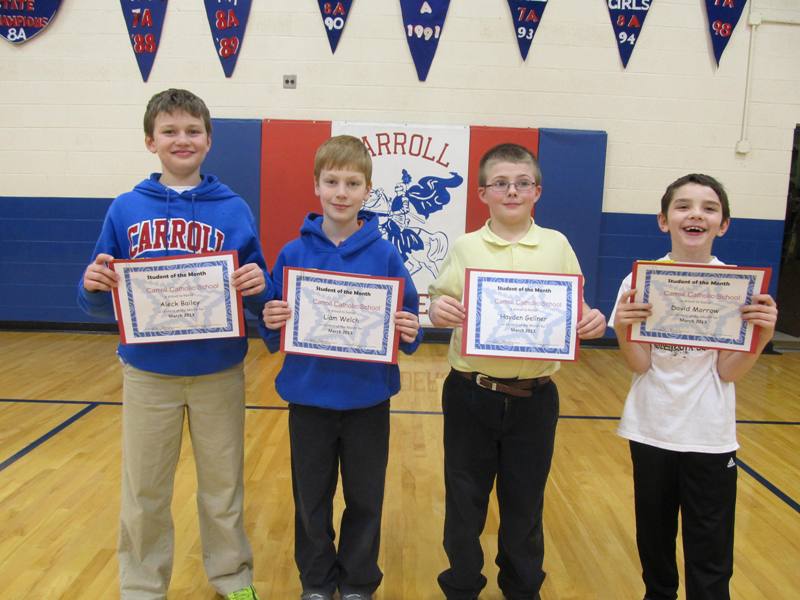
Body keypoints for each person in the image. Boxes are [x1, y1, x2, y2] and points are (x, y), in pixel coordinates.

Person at [78, 88, 268, 600]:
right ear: (150, 141)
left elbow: (259, 288)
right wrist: (92, 286)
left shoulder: (233, 209)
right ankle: (142, 586)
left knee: (223, 487)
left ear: (209, 140)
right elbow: (98, 294)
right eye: (170, 131)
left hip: (218, 371)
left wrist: (259, 285)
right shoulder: (125, 209)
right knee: (145, 489)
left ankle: (232, 578)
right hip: (148, 373)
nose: (182, 139)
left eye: (192, 130)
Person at [428, 143, 607, 600]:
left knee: (525, 502)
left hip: (535, 397)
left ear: (537, 192)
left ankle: (523, 588)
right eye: (501, 183)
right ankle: (462, 585)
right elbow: (439, 298)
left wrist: (592, 319)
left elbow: (576, 306)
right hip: (471, 393)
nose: (512, 191)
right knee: (464, 500)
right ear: (483, 193)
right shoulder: (466, 246)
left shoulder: (557, 245)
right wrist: (438, 309)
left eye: (522, 183)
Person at [260, 135, 422, 600]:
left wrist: (409, 328)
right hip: (308, 399)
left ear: (367, 190)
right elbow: (274, 322)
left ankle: (357, 582)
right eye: (332, 182)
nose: (341, 192)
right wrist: (271, 318)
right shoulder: (293, 253)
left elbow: (408, 320)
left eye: (352, 183)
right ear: (316, 185)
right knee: (310, 500)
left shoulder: (385, 254)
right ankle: (316, 582)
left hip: (367, 401)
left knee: (365, 499)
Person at [610, 173, 778, 600]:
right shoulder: (638, 283)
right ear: (663, 220)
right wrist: (625, 331)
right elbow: (639, 364)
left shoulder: (739, 288)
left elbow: (728, 372)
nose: (695, 215)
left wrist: (761, 338)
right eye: (683, 206)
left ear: (723, 224)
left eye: (709, 208)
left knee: (711, 546)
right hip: (650, 428)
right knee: (654, 537)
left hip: (710, 435)